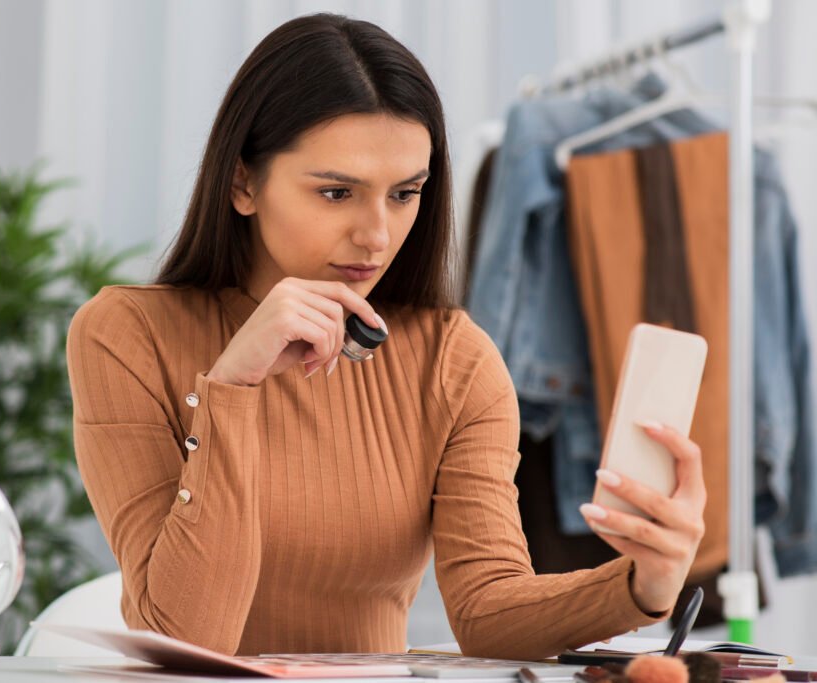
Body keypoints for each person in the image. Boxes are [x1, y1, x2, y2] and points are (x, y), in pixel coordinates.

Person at [66, 13, 706, 660]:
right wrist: (234, 385)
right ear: (242, 182)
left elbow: (488, 609)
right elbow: (186, 639)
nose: (377, 235)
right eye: (338, 192)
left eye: (405, 193)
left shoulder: (451, 358)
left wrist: (642, 584)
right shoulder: (126, 337)